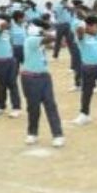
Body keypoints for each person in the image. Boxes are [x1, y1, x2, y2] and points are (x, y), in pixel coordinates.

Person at [21, 19, 65, 147]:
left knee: (50, 105)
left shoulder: (39, 41)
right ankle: (32, 133)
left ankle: (57, 135)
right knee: (33, 107)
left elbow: (61, 43)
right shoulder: (31, 40)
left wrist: (48, 33)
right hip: (30, 78)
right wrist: (47, 32)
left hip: (44, 77)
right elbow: (52, 38)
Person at [0, 16, 22, 118]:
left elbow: (9, 43)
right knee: (2, 85)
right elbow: (2, 26)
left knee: (12, 84)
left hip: (10, 60)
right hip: (0, 62)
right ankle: (1, 107)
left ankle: (16, 108)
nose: (9, 24)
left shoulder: (6, 32)